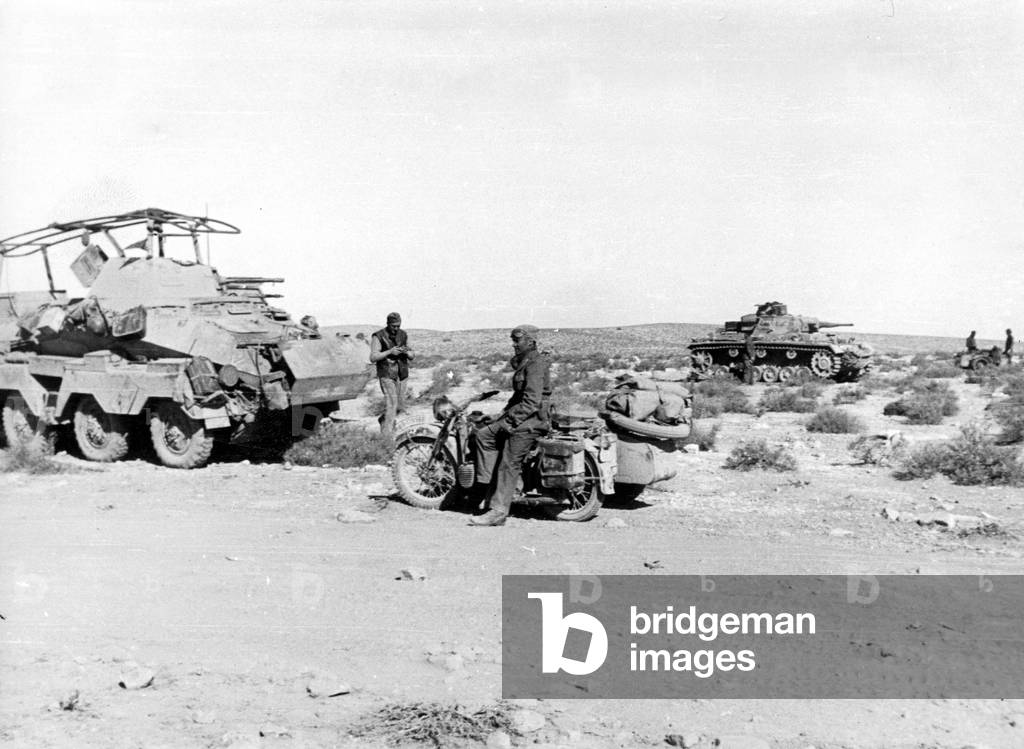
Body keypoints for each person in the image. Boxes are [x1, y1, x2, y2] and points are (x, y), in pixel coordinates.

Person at [470, 324, 552, 526]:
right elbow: (518, 397)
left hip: (531, 421)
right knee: (483, 435)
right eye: (513, 340)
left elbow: (532, 401)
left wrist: (509, 422)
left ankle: (498, 511)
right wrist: (500, 417)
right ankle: (489, 491)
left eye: (517, 340)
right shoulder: (526, 361)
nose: (514, 344)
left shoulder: (536, 364)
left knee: (509, 461)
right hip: (520, 417)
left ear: (531, 342)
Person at [369, 312, 413, 439]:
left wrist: (407, 352)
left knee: (399, 406)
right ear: (388, 324)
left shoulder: (403, 334)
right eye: (394, 326)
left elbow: (412, 354)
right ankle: (387, 439)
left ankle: (384, 420)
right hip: (387, 373)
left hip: (402, 374)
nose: (396, 328)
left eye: (398, 326)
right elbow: (373, 357)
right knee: (392, 404)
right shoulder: (378, 336)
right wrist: (389, 352)